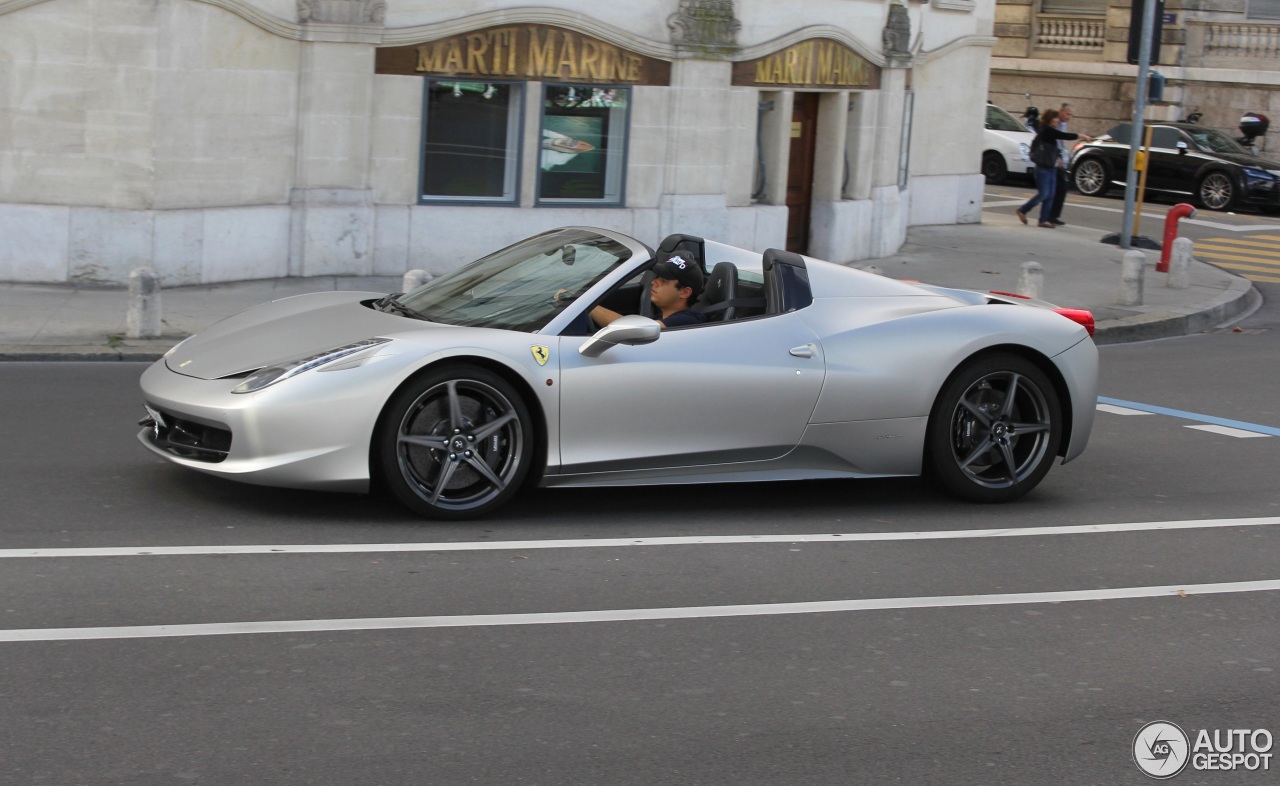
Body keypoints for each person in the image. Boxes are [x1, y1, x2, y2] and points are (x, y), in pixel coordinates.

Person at [589, 251, 707, 329]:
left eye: (664, 281)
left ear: (685, 292)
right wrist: (588, 305)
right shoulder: (660, 317)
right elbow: (626, 324)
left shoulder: (688, 320)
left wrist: (588, 306)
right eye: (657, 277)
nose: (653, 282)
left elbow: (632, 330)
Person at [1016, 108, 1090, 229]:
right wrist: (1080, 135)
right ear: (1050, 119)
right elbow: (1063, 135)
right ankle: (1023, 210)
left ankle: (1043, 220)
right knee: (1044, 194)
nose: (1057, 120)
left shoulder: (1048, 130)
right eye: (1055, 118)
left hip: (1051, 167)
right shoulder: (1046, 130)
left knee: (1050, 194)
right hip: (1043, 168)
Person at [1046, 102, 1080, 226]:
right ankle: (1047, 216)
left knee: (1062, 187)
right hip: (1053, 159)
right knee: (1053, 189)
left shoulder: (1064, 124)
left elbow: (1061, 140)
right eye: (1067, 114)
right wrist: (1058, 156)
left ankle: (1053, 215)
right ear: (1061, 111)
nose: (1069, 117)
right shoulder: (1054, 121)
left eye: (1071, 115)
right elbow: (1056, 138)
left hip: (1059, 159)